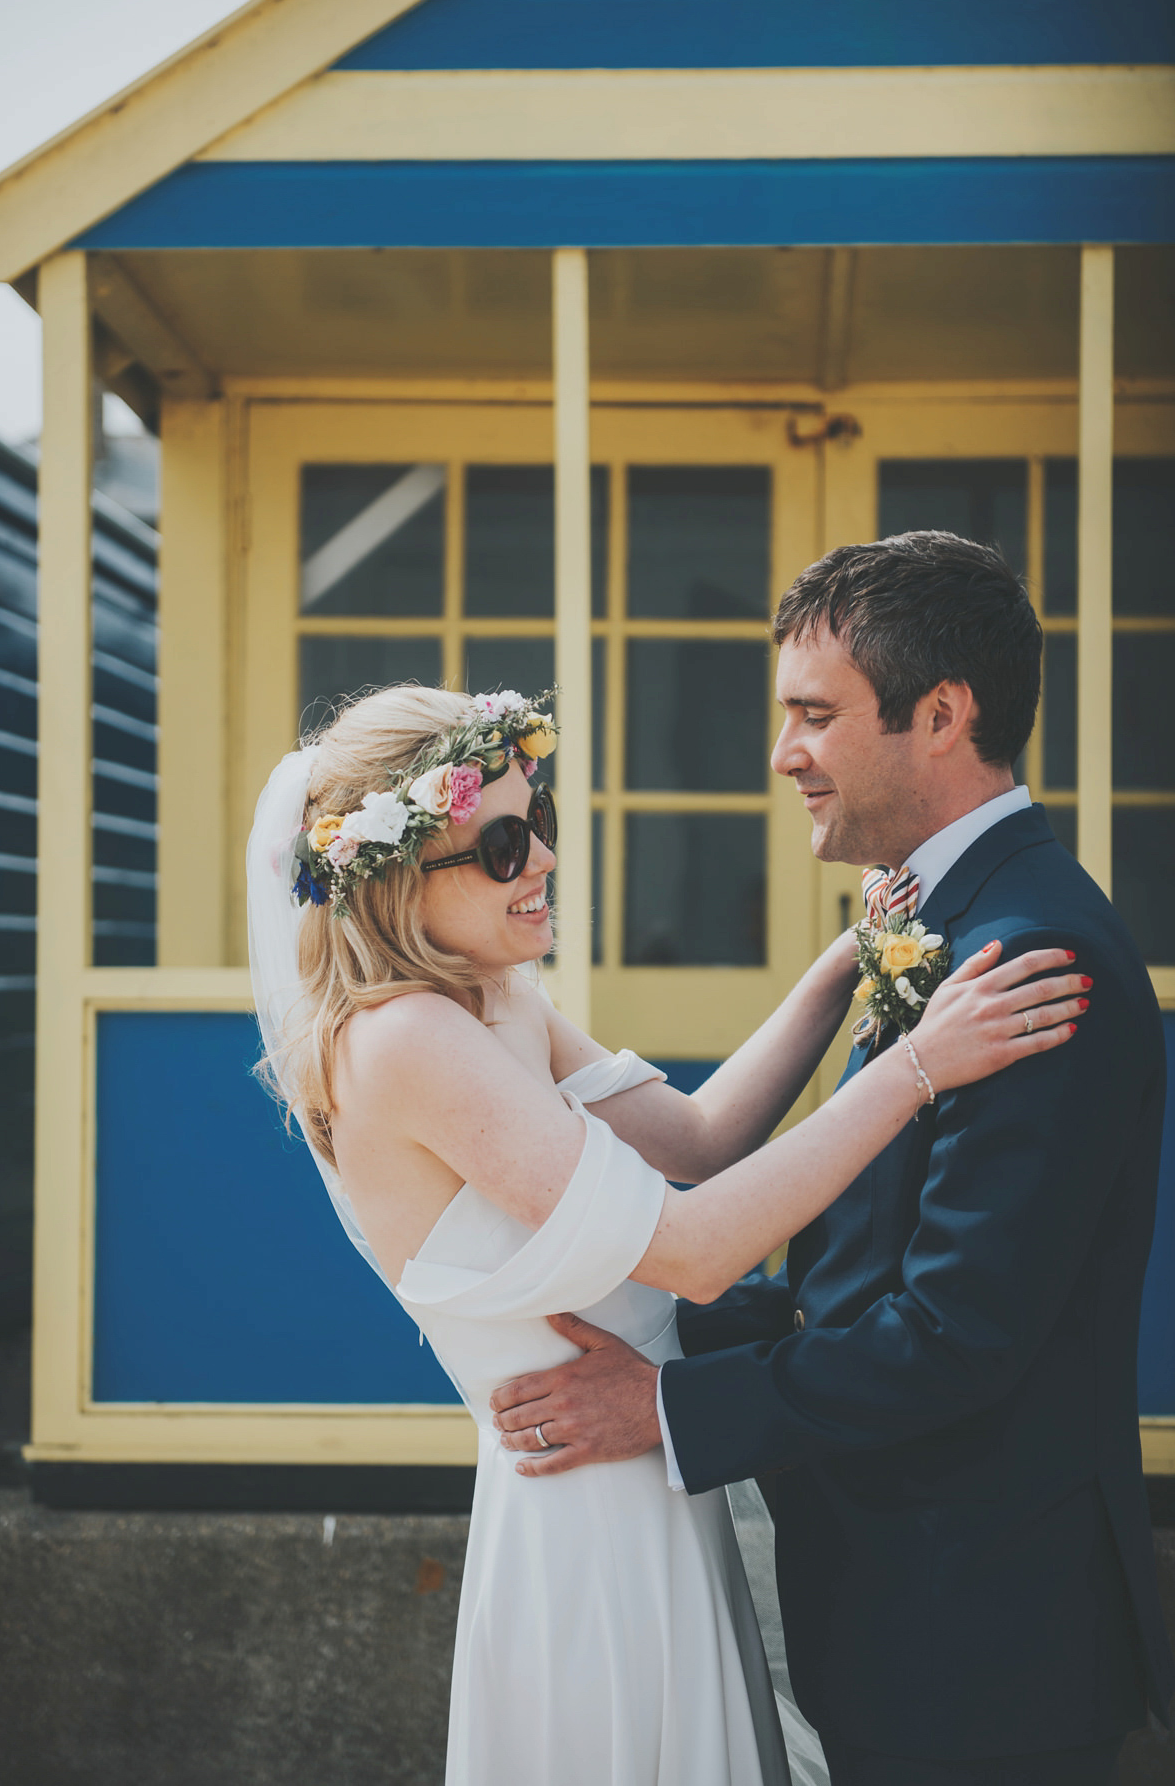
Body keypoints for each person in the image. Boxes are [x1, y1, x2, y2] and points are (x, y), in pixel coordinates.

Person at [247, 677, 1087, 1786]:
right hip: (582, 1519)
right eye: (502, 843)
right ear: (395, 873)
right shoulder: (402, 1039)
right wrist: (921, 1068)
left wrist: (847, 964)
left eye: (537, 822)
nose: (542, 859)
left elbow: (695, 1142)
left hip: (642, 1470)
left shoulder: (489, 1000)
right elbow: (694, 1246)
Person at [490, 533, 1175, 1786]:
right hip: (914, 1628)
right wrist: (658, 1332)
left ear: (942, 714)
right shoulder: (936, 922)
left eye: (814, 714)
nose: (781, 752)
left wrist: (660, 1407)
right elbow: (861, 1266)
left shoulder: (1029, 961)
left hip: (985, 1647)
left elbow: (959, 1331)